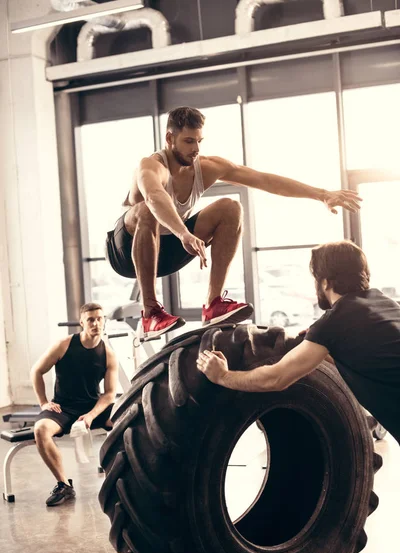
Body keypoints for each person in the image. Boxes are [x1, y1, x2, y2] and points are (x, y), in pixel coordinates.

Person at [106, 106, 362, 340]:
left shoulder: (206, 167)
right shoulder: (151, 166)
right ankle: (150, 312)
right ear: (169, 138)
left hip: (169, 249)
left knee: (230, 208)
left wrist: (322, 194)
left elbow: (265, 180)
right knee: (146, 209)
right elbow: (154, 196)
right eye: (188, 141)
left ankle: (213, 303)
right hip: (126, 252)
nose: (195, 149)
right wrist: (184, 233)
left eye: (198, 141)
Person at [197, 240, 400, 445]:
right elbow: (367, 355)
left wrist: (223, 375)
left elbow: (276, 379)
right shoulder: (385, 303)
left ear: (325, 282)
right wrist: (319, 345)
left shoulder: (334, 322)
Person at [31, 303, 118, 506]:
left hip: (92, 407)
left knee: (128, 420)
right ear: (82, 323)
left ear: (104, 320)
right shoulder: (64, 344)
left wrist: (91, 415)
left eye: (99, 318)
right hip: (63, 407)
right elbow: (36, 371)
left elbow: (110, 394)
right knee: (41, 430)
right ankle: (64, 486)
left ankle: (128, 478)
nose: (96, 323)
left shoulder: (108, 353)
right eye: (90, 319)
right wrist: (44, 403)